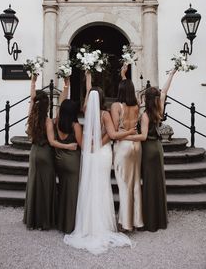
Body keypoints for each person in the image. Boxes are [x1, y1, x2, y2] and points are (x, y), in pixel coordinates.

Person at [64, 72, 136, 255]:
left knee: (89, 186)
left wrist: (87, 78)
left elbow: (88, 94)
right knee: (102, 186)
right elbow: (111, 134)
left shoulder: (87, 109)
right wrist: (100, 144)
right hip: (101, 152)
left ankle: (87, 225)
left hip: (89, 153)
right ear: (103, 98)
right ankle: (102, 225)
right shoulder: (104, 114)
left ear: (90, 99)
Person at [23, 75, 77, 230]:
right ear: (47, 105)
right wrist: (69, 147)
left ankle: (33, 219)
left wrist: (32, 83)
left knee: (34, 184)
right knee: (46, 186)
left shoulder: (32, 116)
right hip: (46, 155)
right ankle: (45, 221)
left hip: (34, 153)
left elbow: (32, 100)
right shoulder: (47, 121)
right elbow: (53, 142)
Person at [129, 69, 177, 232]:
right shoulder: (158, 110)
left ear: (145, 98)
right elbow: (164, 91)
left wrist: (126, 137)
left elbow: (142, 136)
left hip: (148, 149)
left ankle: (150, 221)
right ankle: (160, 219)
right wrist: (171, 74)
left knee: (148, 183)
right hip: (158, 148)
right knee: (158, 182)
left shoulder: (145, 115)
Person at [111, 64, 143, 231]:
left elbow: (115, 130)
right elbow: (129, 88)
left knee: (124, 185)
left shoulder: (117, 107)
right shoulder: (136, 105)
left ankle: (126, 223)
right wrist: (124, 75)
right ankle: (137, 221)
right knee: (136, 183)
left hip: (123, 145)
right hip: (137, 144)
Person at [54, 77, 83, 234]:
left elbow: (60, 105)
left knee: (63, 190)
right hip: (72, 161)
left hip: (59, 160)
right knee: (72, 193)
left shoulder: (58, 121)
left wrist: (66, 86)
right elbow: (82, 144)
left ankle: (61, 222)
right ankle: (69, 225)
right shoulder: (75, 125)